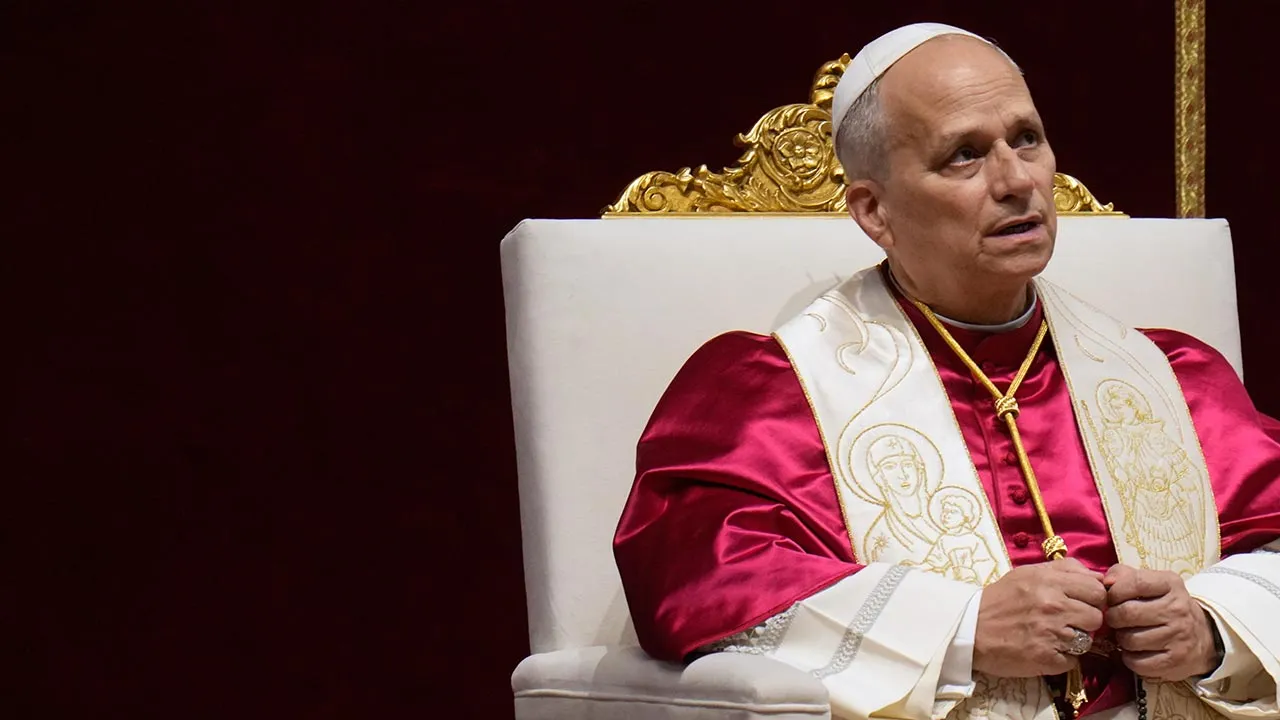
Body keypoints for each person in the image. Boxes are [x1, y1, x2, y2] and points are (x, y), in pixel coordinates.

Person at [612, 22, 1280, 720]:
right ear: (874, 210)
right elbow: (705, 587)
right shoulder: (773, 396)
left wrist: (1211, 629)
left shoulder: (1172, 380)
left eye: (1026, 138)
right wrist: (960, 628)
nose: (1017, 181)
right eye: (965, 155)